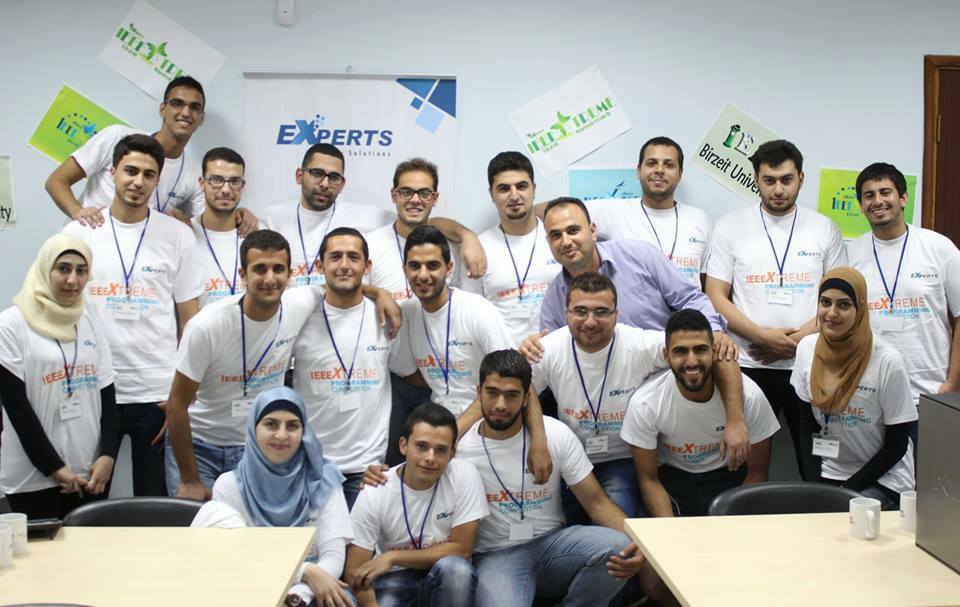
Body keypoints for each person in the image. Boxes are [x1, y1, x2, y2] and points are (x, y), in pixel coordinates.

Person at [531, 273, 751, 521]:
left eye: (601, 312)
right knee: (560, 525)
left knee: (613, 533)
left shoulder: (639, 344)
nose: (590, 322)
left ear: (616, 314)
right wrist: (538, 440)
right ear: (566, 313)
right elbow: (520, 390)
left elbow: (719, 357)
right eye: (580, 311)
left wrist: (735, 420)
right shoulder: (547, 348)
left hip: (621, 460)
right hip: (571, 459)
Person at [62, 133, 203, 496]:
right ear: (112, 172)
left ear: (157, 180)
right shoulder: (79, 233)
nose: (138, 182)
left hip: (156, 391)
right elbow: (60, 311)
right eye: (130, 171)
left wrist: (181, 395)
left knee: (154, 501)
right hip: (93, 388)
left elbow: (190, 319)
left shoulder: (177, 235)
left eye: (148, 174)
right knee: (88, 498)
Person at [455, 349, 649, 607]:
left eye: (511, 395)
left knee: (620, 547)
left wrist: (640, 544)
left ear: (527, 397)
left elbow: (596, 503)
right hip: (496, 555)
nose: (501, 404)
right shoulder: (461, 450)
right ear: (479, 392)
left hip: (554, 546)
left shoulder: (555, 435)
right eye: (492, 393)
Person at [705, 139, 846, 477]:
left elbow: (840, 299)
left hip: (812, 363)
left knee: (818, 464)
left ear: (801, 178)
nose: (778, 189)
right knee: (745, 467)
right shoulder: (730, 226)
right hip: (749, 364)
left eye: (786, 179)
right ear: (756, 179)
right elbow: (715, 295)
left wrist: (795, 341)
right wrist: (762, 337)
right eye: (769, 180)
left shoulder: (824, 227)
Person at [164, 230, 323, 500]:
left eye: (278, 269)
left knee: (252, 527)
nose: (270, 279)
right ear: (243, 274)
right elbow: (176, 405)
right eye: (259, 269)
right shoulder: (207, 326)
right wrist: (190, 478)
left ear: (290, 274)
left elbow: (338, 287)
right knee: (197, 525)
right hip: (200, 448)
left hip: (257, 449)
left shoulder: (299, 303)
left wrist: (378, 294)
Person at [192, 386, 354, 607]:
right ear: (254, 428)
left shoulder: (324, 480)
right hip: (251, 589)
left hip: (312, 592)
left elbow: (333, 556)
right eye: (271, 424)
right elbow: (238, 558)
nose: (281, 435)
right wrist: (305, 571)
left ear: (304, 432)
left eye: (292, 426)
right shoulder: (229, 485)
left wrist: (298, 595)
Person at [293, 228, 420, 507]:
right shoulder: (300, 316)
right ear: (320, 266)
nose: (344, 265)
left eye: (353, 257)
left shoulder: (387, 317)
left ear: (367, 265)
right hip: (311, 466)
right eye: (335, 257)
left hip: (369, 471)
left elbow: (410, 375)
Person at [0, 235, 118, 519]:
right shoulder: (11, 325)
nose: (72, 280)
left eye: (81, 271)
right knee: (39, 548)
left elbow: (108, 395)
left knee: (89, 547)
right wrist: (55, 468)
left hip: (89, 472)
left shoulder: (88, 321)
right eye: (63, 268)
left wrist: (108, 455)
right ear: (45, 269)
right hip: (33, 476)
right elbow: (17, 409)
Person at [621, 309, 780, 518]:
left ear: (714, 352)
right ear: (666, 355)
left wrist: (736, 527)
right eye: (680, 351)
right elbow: (648, 479)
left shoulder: (750, 396)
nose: (692, 361)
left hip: (730, 479)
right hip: (673, 481)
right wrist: (667, 531)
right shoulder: (646, 403)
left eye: (700, 350)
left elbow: (757, 472)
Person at [45, 76, 254, 233]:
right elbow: (56, 181)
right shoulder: (118, 137)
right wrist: (77, 211)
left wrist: (239, 214)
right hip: (85, 245)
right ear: (163, 109)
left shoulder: (192, 174)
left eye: (194, 107)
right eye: (177, 103)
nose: (185, 112)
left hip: (135, 255)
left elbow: (208, 223)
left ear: (201, 118)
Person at [846, 163, 960, 432]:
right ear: (861, 205)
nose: (878, 201)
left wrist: (953, 384)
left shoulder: (939, 247)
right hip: (868, 396)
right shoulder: (850, 254)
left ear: (903, 198)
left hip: (930, 394)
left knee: (930, 462)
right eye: (869, 195)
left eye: (885, 192)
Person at [790, 268, 917, 509]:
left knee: (842, 517)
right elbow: (807, 427)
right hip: (830, 471)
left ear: (860, 309)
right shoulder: (807, 349)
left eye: (844, 305)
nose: (832, 313)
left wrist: (843, 492)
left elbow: (897, 446)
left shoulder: (888, 361)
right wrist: (815, 488)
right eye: (825, 302)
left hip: (884, 478)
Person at [345, 403, 487, 607]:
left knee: (457, 570)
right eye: (421, 446)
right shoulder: (375, 489)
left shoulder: (464, 474)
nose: (430, 458)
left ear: (452, 453)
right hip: (394, 578)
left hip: (444, 572)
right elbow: (355, 571)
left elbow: (462, 549)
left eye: (440, 450)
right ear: (403, 445)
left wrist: (393, 557)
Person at [536, 197, 726, 335]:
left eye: (573, 231)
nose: (566, 241)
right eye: (556, 235)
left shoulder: (640, 255)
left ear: (593, 231)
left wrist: (715, 331)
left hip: (664, 367)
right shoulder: (553, 300)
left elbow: (690, 298)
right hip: (602, 376)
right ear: (548, 242)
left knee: (723, 356)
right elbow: (554, 353)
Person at [393, 225, 514, 416]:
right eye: (415, 266)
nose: (423, 275)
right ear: (405, 269)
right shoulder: (407, 313)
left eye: (432, 266)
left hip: (488, 416)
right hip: (438, 417)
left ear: (449, 268)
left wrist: (460, 427)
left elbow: (511, 378)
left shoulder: (477, 310)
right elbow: (410, 374)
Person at [582, 137, 712, 287]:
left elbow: (704, 278)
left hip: (688, 302)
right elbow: (560, 212)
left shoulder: (699, 218)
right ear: (639, 170)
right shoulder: (614, 211)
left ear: (680, 174)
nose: (659, 170)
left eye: (669, 165)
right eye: (651, 163)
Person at [461, 152, 561, 343]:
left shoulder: (559, 237)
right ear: (492, 194)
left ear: (534, 189)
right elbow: (470, 315)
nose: (514, 196)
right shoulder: (478, 248)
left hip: (557, 352)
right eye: (504, 189)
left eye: (521, 186)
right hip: (503, 357)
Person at [191, 147, 249, 306]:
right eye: (217, 180)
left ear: (242, 186)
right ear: (202, 183)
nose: (226, 190)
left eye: (234, 182)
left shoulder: (256, 235)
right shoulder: (185, 234)